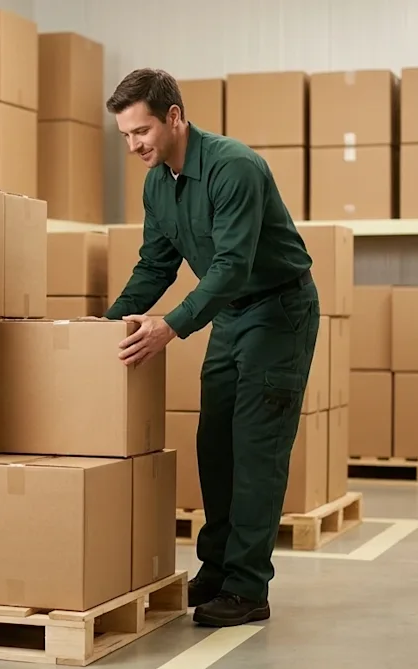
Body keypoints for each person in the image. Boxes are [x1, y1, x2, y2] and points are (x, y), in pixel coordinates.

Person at [102, 69, 320, 628]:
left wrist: (170, 327)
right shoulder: (158, 184)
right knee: (215, 444)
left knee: (255, 448)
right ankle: (219, 568)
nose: (135, 145)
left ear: (174, 117)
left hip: (277, 312)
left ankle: (248, 588)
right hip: (229, 314)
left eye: (142, 131)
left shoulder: (233, 167)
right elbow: (155, 265)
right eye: (126, 136)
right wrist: (99, 331)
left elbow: (231, 266)